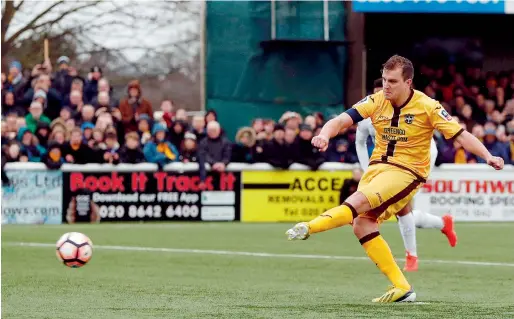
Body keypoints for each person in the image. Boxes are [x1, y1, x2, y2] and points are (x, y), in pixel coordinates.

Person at [285, 55, 504, 303]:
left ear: (408, 82)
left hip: (407, 172)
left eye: (392, 81)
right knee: (362, 224)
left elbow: (461, 136)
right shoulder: (377, 100)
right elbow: (341, 120)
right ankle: (402, 287)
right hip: (377, 169)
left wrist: (488, 156)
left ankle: (309, 227)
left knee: (358, 203)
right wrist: (325, 134)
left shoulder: (428, 106)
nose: (385, 86)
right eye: (384, 80)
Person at [355, 78, 457, 272]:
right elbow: (360, 142)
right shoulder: (368, 115)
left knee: (402, 208)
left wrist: (418, 169)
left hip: (416, 163)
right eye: (378, 93)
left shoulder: (412, 109)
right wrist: (367, 168)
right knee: (402, 210)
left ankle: (412, 257)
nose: (383, 95)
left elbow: (433, 143)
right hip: (387, 165)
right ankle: (443, 223)